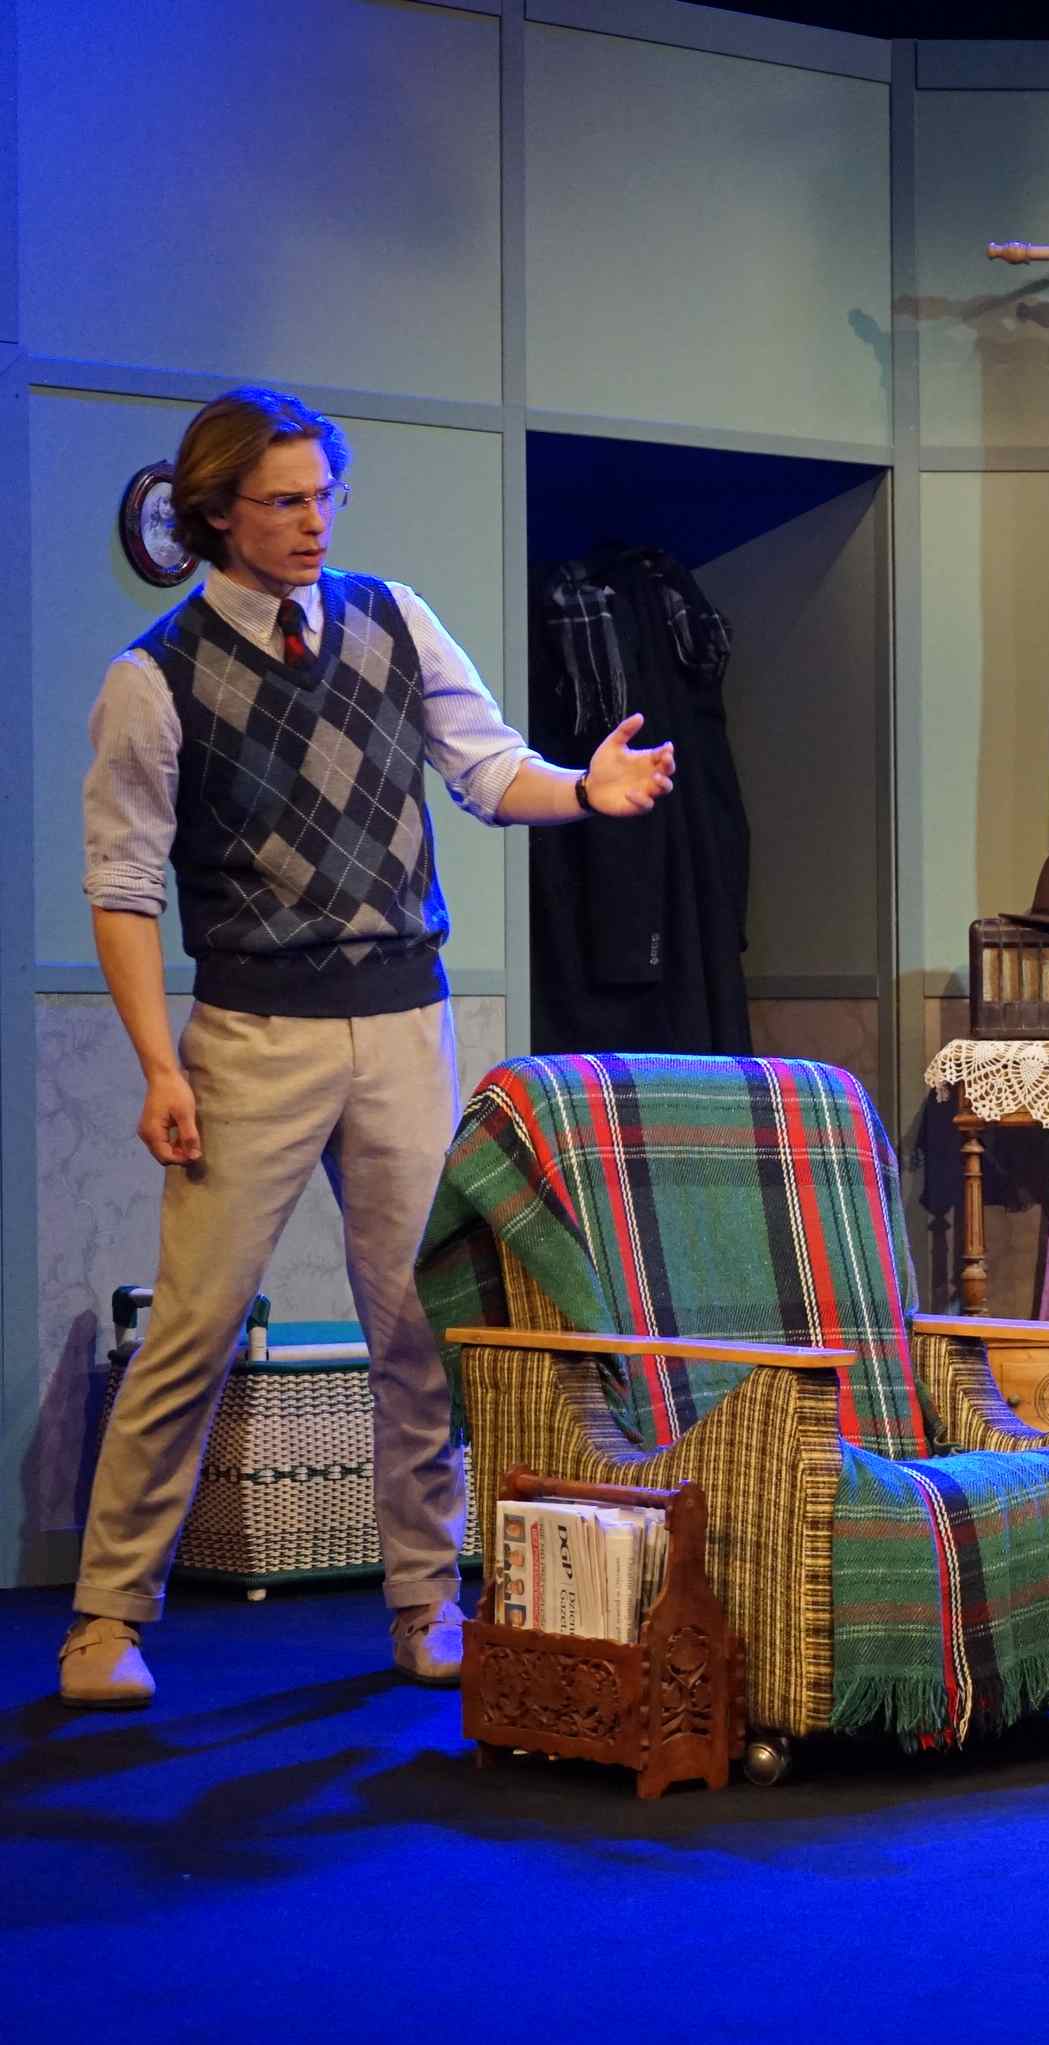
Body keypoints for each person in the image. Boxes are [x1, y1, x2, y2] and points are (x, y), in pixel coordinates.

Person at [60, 388, 677, 1710]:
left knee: (414, 1323)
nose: (314, 522)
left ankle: (424, 1598)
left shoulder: (392, 619)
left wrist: (584, 788)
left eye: (326, 495)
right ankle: (106, 1617)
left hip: (404, 1018)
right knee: (195, 1325)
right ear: (216, 511)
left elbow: (486, 768)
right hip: (252, 1032)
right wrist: (160, 1065)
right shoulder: (154, 677)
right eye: (285, 500)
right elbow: (121, 888)